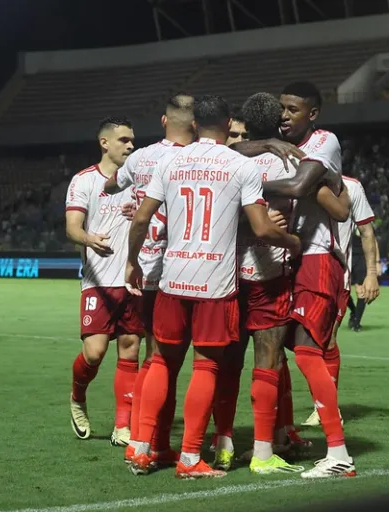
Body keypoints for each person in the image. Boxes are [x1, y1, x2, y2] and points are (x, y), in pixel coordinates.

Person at [125, 95, 301, 479]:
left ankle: (141, 448)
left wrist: (131, 260)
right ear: (227, 125)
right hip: (214, 283)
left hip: (172, 276)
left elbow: (141, 218)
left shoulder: (169, 161)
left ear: (193, 126)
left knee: (160, 361)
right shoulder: (240, 165)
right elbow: (260, 227)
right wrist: (293, 243)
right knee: (205, 365)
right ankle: (190, 458)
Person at [233, 81, 379, 478]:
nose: (284, 115)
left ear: (312, 114)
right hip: (297, 260)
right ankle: (285, 438)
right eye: (281, 107)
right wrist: (262, 146)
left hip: (320, 259)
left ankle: (339, 455)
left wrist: (242, 188)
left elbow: (299, 186)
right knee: (287, 352)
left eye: (293, 109)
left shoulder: (324, 142)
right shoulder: (278, 147)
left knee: (308, 351)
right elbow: (232, 151)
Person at [104, 93, 196, 465]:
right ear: (196, 124)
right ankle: (149, 444)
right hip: (182, 271)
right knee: (168, 360)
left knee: (152, 356)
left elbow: (111, 183)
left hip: (143, 268)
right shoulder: (193, 159)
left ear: (163, 121)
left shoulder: (140, 157)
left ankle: (145, 441)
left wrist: (132, 196)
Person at [64, 116, 143, 447]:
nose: (131, 145)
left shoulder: (140, 180)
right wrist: (88, 238)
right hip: (97, 281)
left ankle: (122, 426)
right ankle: (77, 397)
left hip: (133, 278)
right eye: (124, 140)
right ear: (105, 143)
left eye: (132, 140)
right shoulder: (83, 181)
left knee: (130, 348)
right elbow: (72, 226)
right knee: (94, 352)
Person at [303, 175, 378, 428]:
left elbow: (367, 231)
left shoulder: (352, 186)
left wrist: (371, 274)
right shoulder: (298, 178)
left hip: (335, 276)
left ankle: (325, 407)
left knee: (326, 341)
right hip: (296, 270)